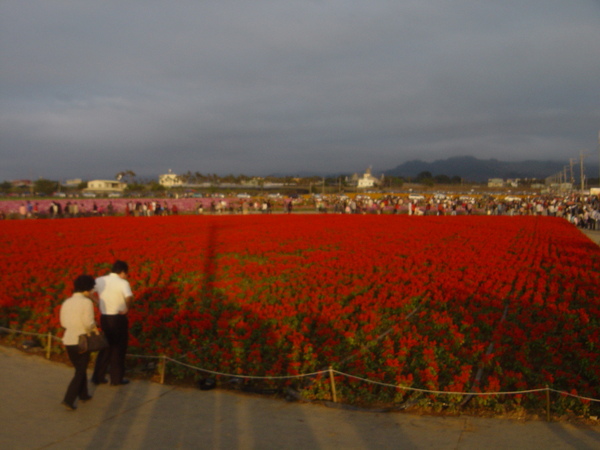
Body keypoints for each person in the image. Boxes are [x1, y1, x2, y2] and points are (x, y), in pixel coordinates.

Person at [91, 260, 134, 386]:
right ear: (122, 272)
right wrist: (127, 308)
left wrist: (98, 301)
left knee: (105, 347)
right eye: (126, 273)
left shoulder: (100, 280)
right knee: (118, 349)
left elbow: (89, 292)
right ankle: (116, 379)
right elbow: (129, 297)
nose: (126, 276)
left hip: (104, 318)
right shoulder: (123, 283)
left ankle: (98, 376)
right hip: (118, 319)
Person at [59, 274, 98, 411]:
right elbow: (88, 323)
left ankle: (84, 394)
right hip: (81, 340)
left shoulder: (67, 302)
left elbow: (63, 323)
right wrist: (94, 325)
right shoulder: (86, 302)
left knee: (79, 368)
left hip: (68, 339)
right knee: (80, 371)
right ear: (87, 289)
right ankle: (69, 399)